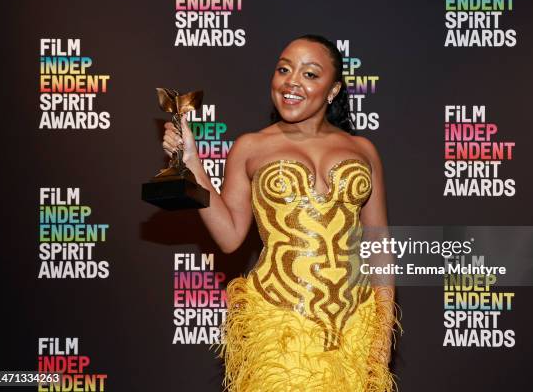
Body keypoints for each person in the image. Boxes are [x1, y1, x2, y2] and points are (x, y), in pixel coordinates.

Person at [162, 34, 400, 392]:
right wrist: (193, 163)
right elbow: (229, 238)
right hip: (278, 326)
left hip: (353, 328)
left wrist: (380, 337)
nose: (292, 81)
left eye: (309, 74)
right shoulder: (251, 146)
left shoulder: (363, 149)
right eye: (284, 70)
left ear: (332, 90)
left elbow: (379, 248)